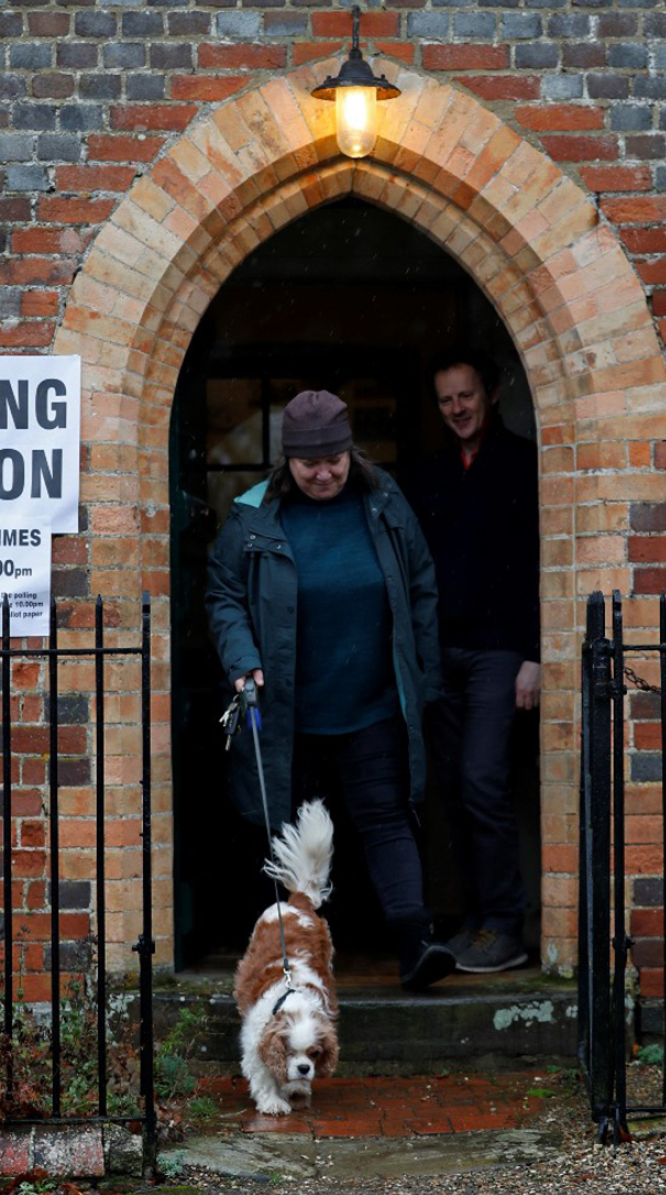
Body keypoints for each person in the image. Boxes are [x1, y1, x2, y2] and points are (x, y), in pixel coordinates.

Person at [206, 389, 455, 992]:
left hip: (372, 702)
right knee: (288, 833)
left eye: (334, 460)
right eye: (309, 464)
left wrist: (421, 677)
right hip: (289, 708)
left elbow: (420, 586)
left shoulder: (384, 501)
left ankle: (413, 943)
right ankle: (288, 961)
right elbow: (223, 595)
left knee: (387, 821)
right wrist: (241, 657)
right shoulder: (253, 516)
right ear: (287, 461)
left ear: (350, 451)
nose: (324, 473)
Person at [410, 347, 539, 974]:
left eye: (465, 395)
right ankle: (473, 920)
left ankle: (506, 927)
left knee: (485, 781)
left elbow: (550, 562)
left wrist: (535, 657)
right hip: (443, 653)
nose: (457, 408)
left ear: (487, 394)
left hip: (500, 652)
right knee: (453, 792)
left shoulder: (523, 464)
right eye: (445, 399)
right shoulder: (432, 472)